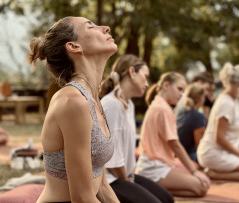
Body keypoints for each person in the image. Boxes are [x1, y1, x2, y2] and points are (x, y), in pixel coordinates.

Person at [29, 16, 119, 203]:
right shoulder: (73, 102)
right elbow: (82, 198)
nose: (106, 28)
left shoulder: (92, 99)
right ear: (74, 46)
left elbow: (101, 185)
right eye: (91, 27)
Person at [99, 54, 174, 203]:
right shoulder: (112, 104)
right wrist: (127, 181)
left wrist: (129, 178)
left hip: (124, 175)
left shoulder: (129, 105)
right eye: (145, 77)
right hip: (109, 180)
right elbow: (112, 158)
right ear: (132, 72)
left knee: (167, 199)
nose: (147, 84)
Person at [136, 72, 210, 197]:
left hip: (158, 164)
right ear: (166, 85)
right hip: (153, 168)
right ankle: (149, 186)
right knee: (201, 186)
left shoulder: (160, 105)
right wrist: (192, 170)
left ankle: (153, 188)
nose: (181, 95)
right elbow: (175, 144)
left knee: (201, 185)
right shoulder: (162, 108)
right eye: (179, 89)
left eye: (183, 91)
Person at [197, 62, 239, 182]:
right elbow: (220, 138)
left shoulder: (234, 99)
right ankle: (213, 174)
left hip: (224, 151)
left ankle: (216, 172)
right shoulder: (225, 103)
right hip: (214, 153)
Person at [176, 83, 206, 163]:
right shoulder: (198, 116)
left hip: (177, 154)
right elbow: (199, 146)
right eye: (203, 96)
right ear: (200, 98)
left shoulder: (181, 111)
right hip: (188, 156)